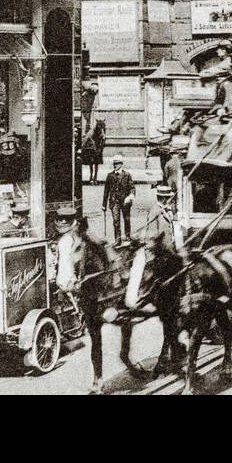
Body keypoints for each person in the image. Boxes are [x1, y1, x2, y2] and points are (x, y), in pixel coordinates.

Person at [53, 206, 113, 394]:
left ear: (73, 223)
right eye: (60, 221)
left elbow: (105, 248)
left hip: (98, 286)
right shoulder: (64, 240)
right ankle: (98, 378)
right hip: (84, 288)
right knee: (95, 338)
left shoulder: (83, 237)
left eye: (66, 221)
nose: (62, 224)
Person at [102, 156, 135, 247]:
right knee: (116, 221)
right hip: (114, 202)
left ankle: (128, 236)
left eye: (117, 163)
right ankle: (117, 239)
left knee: (126, 219)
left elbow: (132, 187)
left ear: (121, 164)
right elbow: (106, 191)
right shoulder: (110, 176)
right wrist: (103, 205)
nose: (115, 165)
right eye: (114, 163)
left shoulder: (127, 175)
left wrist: (131, 196)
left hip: (125, 202)